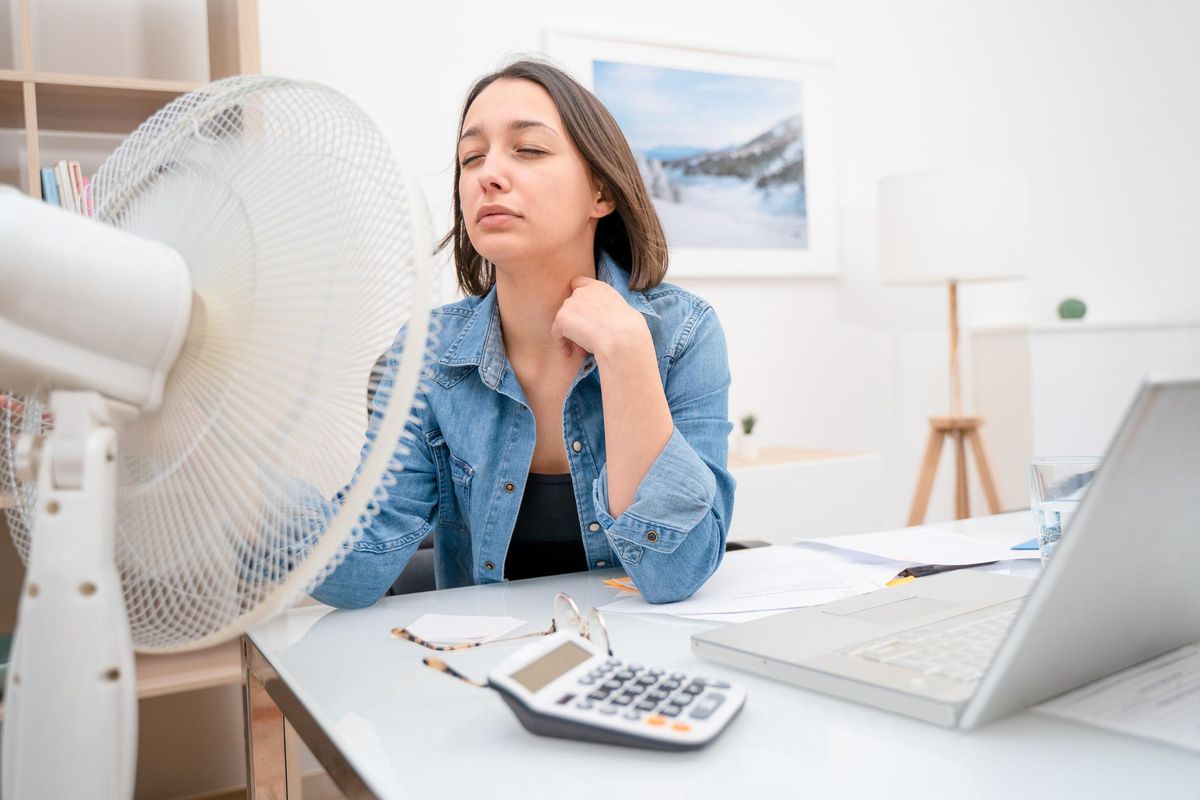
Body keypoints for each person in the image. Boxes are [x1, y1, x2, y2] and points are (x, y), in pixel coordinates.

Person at [311, 59, 735, 608]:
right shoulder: (425, 352)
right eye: (471, 157)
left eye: (529, 150)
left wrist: (627, 356)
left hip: (639, 666)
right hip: (482, 666)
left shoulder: (683, 333)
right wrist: (237, 487)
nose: (489, 173)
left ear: (601, 193)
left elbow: (675, 574)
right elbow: (356, 570)